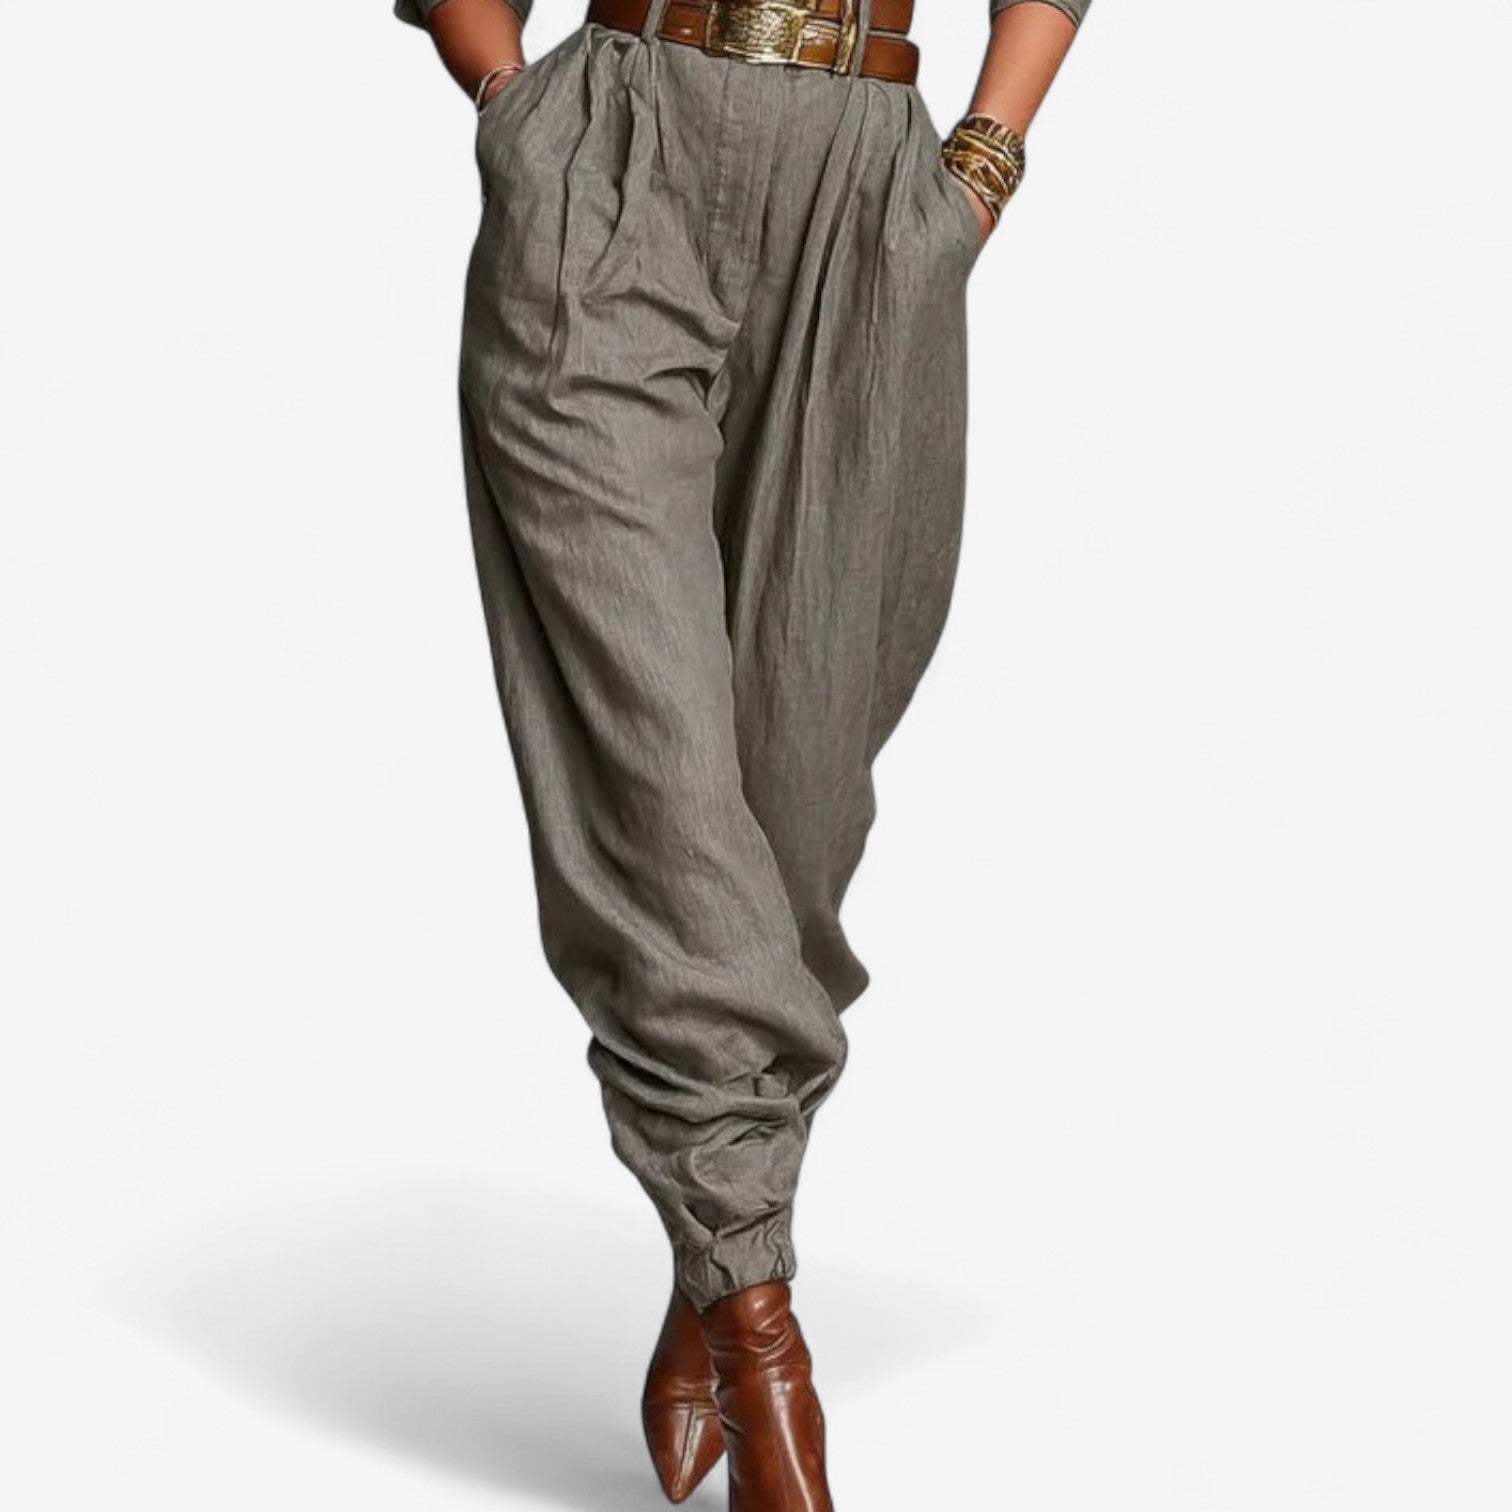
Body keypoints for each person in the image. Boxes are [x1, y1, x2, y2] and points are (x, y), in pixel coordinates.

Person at [393, 0, 1087, 1504]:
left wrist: (981, 168)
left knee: (794, 816)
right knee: (659, 787)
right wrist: (515, 108)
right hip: (609, 162)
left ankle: (710, 1250)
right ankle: (764, 1351)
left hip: (865, 194)